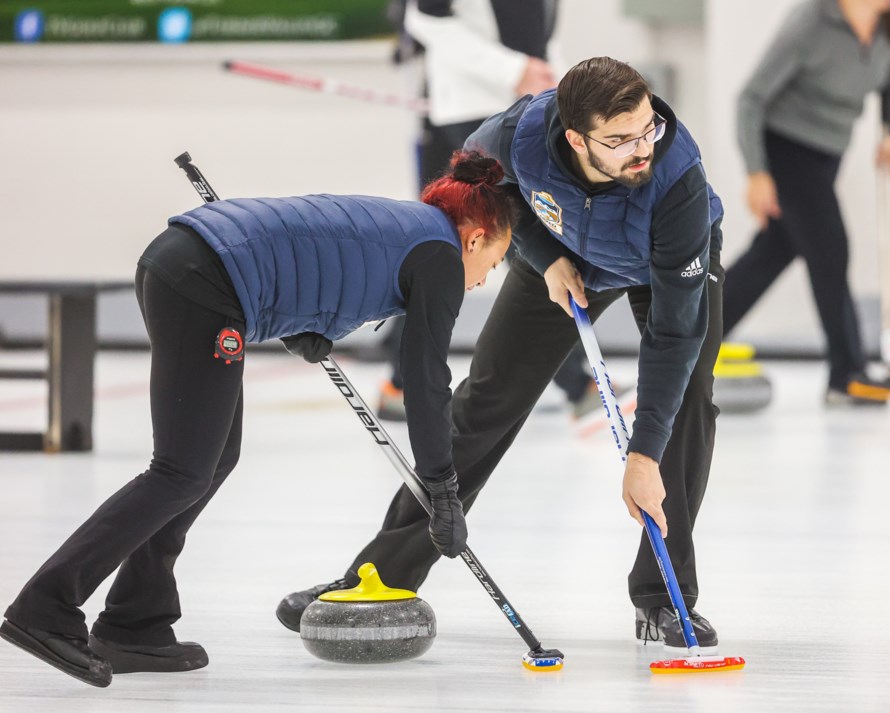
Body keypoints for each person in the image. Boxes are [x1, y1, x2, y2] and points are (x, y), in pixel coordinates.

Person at [0, 151, 514, 688]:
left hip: (192, 268)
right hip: (203, 283)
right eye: (495, 263)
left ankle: (135, 620)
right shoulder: (439, 255)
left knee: (214, 457)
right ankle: (45, 607)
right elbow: (426, 383)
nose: (483, 280)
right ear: (476, 238)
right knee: (180, 469)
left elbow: (315, 249)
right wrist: (443, 487)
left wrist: (302, 316)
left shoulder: (412, 229)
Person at [278, 57, 726, 653]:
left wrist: (642, 455)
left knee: (687, 405)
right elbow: (484, 186)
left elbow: (674, 337)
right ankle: (381, 574)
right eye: (619, 141)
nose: (641, 148)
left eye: (647, 129)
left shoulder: (676, 184)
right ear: (574, 138)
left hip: (659, 266)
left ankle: (664, 596)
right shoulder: (517, 134)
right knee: (485, 402)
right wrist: (545, 256)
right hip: (566, 255)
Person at [376, 0, 603, 422]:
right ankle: (577, 383)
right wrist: (511, 70)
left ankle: (402, 381)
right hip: (476, 106)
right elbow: (424, 17)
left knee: (445, 243)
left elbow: (536, 29)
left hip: (516, 102)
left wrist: (562, 88)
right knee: (520, 241)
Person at [723, 0, 890, 406]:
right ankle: (847, 375)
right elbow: (750, 99)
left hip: (829, 155)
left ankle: (688, 340)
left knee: (771, 255)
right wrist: (757, 173)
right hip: (785, 148)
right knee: (830, 249)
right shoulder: (812, 21)